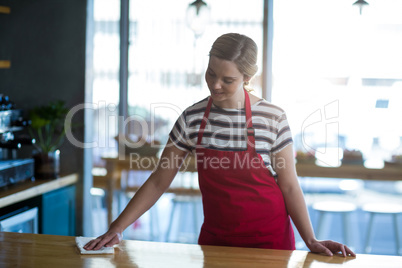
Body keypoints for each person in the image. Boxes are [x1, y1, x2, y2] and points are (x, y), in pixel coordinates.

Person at [85, 33, 355, 257]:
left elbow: (289, 184)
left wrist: (310, 239)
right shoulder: (191, 118)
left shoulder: (272, 117)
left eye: (228, 80)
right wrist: (116, 228)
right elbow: (159, 181)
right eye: (211, 73)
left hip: (270, 243)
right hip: (216, 241)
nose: (215, 85)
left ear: (247, 78)